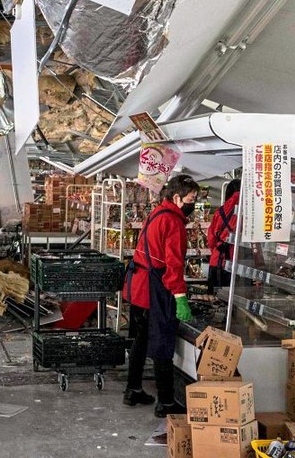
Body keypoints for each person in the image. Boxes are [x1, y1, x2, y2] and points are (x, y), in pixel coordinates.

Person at [122, 174, 199, 417]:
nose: (192, 204)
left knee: (142, 339)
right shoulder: (174, 223)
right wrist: (180, 297)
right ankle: (166, 402)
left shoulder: (157, 214)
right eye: (191, 199)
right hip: (155, 289)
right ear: (177, 197)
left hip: (138, 287)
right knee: (162, 342)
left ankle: (133, 390)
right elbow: (173, 265)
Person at [206, 179, 241, 293]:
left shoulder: (219, 212)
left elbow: (211, 239)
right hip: (238, 263)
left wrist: (216, 250)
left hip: (218, 260)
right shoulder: (249, 210)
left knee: (216, 302)